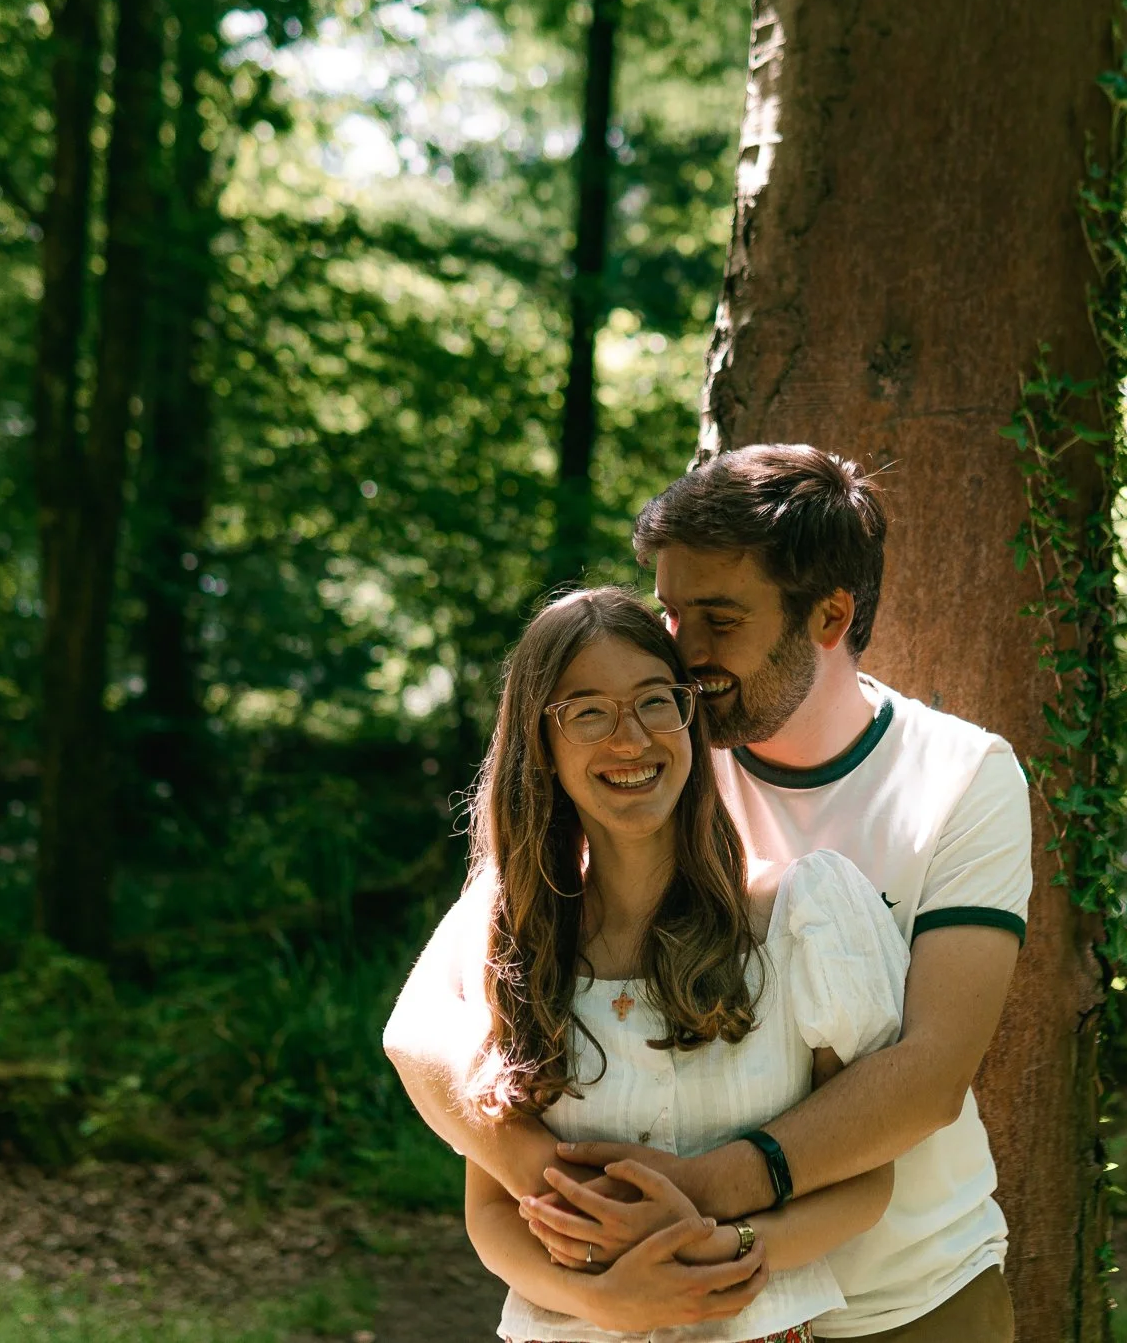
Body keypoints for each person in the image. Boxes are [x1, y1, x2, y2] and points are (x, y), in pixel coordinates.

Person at [387, 445, 1030, 1341]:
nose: (684, 651)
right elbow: (425, 1024)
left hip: (906, 1287)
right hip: (681, 1299)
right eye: (672, 612)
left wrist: (691, 1198)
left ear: (830, 615)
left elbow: (929, 1074)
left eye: (719, 619)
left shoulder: (959, 777)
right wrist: (569, 1196)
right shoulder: (656, 752)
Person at [431, 586, 916, 1341]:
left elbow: (866, 1177)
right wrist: (602, 1301)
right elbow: (489, 1208)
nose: (631, 739)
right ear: (542, 745)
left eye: (655, 701)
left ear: (691, 717)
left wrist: (731, 1246)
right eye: (588, 713)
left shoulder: (802, 916)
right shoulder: (514, 937)